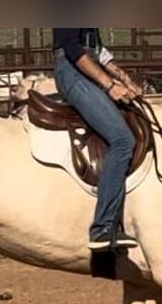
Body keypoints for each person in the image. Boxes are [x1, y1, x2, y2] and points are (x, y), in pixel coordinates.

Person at [52, 28, 143, 252]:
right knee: (122, 141)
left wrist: (124, 79)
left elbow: (98, 51)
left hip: (88, 72)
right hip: (73, 73)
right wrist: (110, 85)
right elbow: (74, 50)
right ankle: (103, 227)